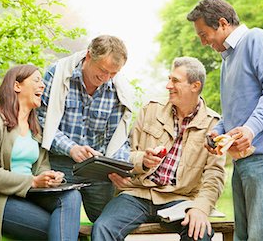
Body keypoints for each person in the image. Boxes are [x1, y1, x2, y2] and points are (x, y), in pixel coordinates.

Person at [187, 0, 263, 241]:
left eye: (204, 34)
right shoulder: (228, 60)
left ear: (223, 23)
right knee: (244, 237)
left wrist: (250, 129)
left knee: (261, 236)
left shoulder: (257, 39)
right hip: (243, 159)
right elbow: (236, 111)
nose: (203, 42)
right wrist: (219, 131)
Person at [92, 57, 226, 241]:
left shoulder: (215, 125)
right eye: (169, 79)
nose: (168, 85)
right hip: (137, 193)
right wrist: (142, 161)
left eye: (175, 81)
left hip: (180, 198)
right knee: (103, 227)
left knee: (199, 233)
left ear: (195, 86)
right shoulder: (150, 110)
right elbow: (124, 152)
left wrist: (200, 208)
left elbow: (214, 176)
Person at [0, 65, 82, 241]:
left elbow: (42, 166)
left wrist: (48, 177)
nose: (42, 85)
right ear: (17, 86)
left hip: (31, 194)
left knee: (72, 195)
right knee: (63, 231)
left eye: (42, 81)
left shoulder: (35, 127)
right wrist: (33, 181)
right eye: (36, 80)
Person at [37, 35, 133, 222]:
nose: (106, 78)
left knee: (108, 224)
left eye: (113, 74)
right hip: (58, 164)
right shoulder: (57, 74)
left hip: (97, 171)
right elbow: (41, 120)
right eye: (102, 70)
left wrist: (120, 169)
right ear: (88, 56)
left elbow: (118, 139)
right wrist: (71, 148)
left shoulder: (118, 89)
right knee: (58, 221)